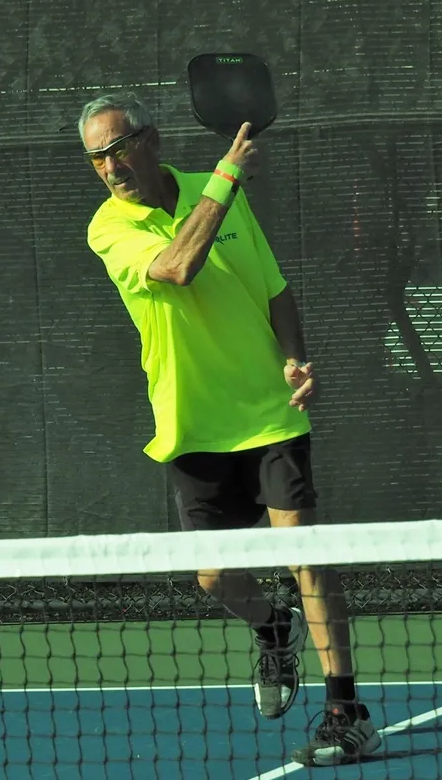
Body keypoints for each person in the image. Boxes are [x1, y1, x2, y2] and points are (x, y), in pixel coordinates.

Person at [79, 91, 382, 767]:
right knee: (215, 580)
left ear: (150, 139)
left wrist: (294, 358)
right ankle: (277, 630)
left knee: (307, 558)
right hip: (193, 423)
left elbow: (273, 289)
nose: (111, 166)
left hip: (269, 414)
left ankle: (347, 710)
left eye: (119, 147)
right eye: (96, 157)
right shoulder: (108, 228)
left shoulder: (220, 191)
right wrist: (226, 177)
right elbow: (179, 268)